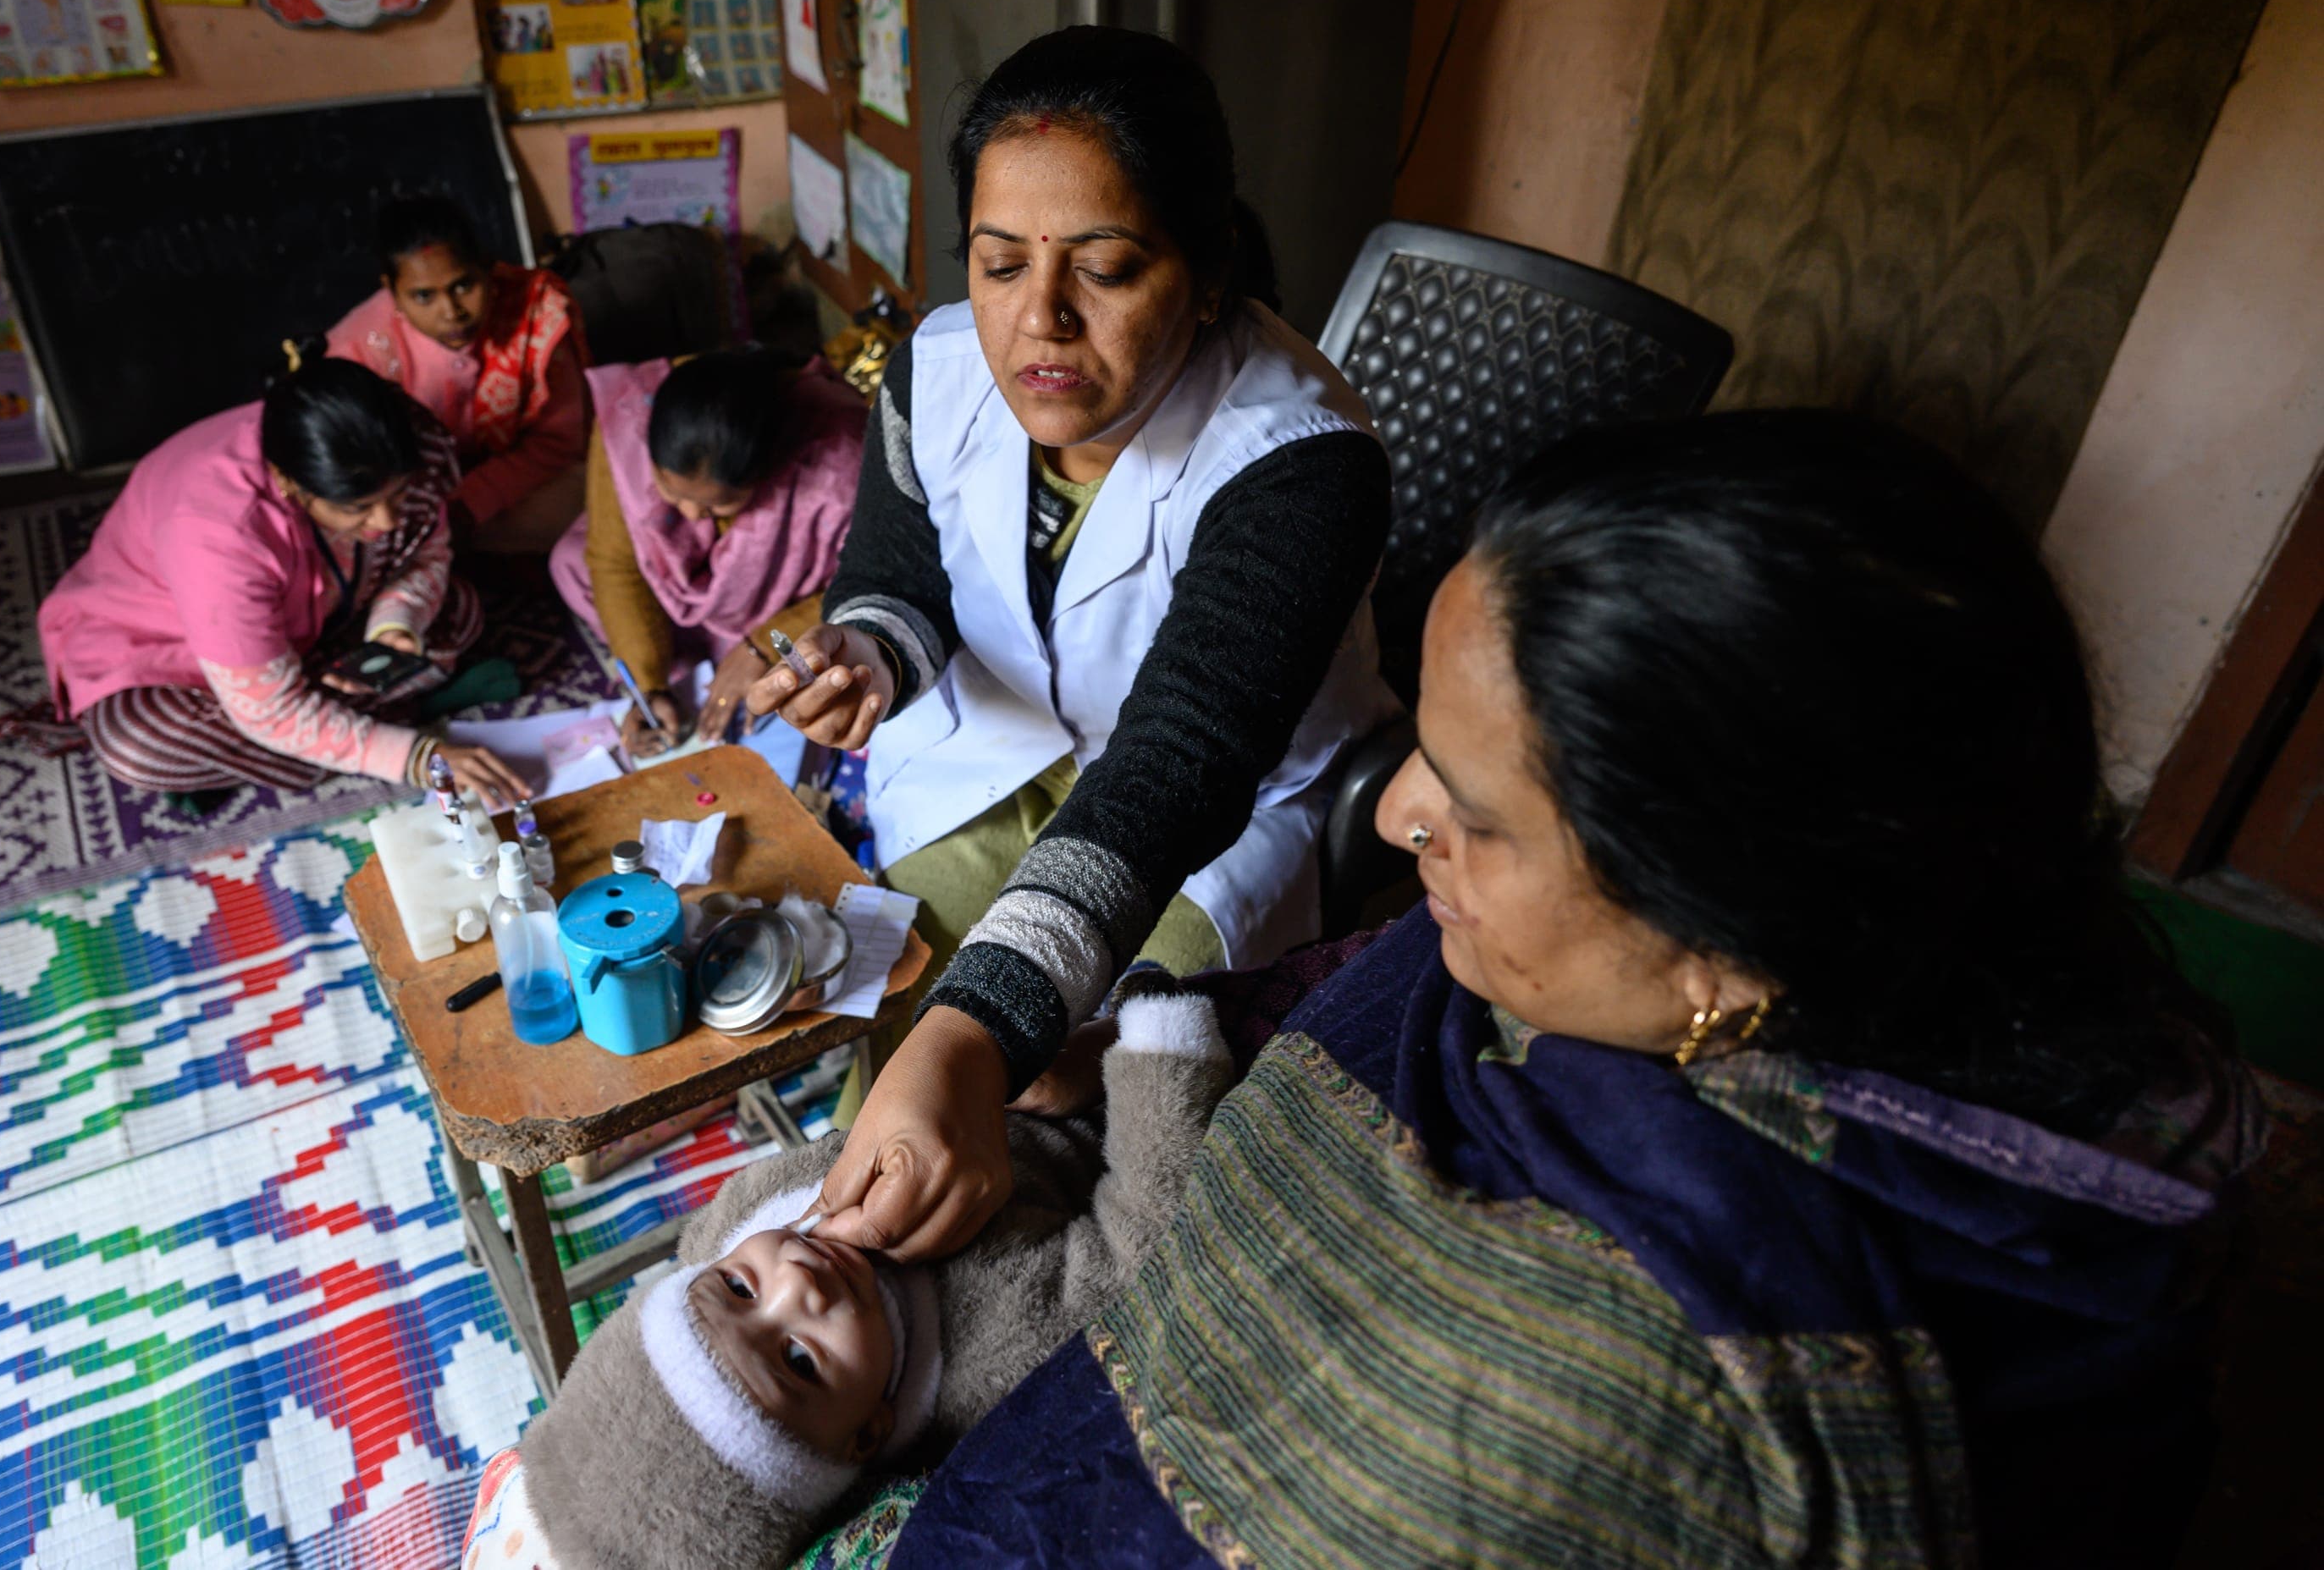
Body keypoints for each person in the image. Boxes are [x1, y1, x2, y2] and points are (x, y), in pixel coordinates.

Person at [868, 414, 2266, 1568]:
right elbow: (1342, 979)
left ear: (1722, 945)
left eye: (1477, 810)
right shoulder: (1604, 952)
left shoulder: (1644, 1409)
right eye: (1423, 739)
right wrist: (1045, 1040)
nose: (1402, 812)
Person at [747, 25, 1394, 1261]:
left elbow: (1182, 759)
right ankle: (840, 1297)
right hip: (997, 757)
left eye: (1104, 267)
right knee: (887, 1030)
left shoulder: (1301, 463)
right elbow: (897, 579)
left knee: (1114, 1087)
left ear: (1207, 277)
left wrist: (983, 1028)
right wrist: (868, 656)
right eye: (999, 264)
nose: (1038, 319)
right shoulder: (929, 375)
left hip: (1220, 813)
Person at [466, 987, 1234, 1569]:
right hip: (1101, 1098)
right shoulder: (992, 1354)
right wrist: (1158, 1046)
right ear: (864, 1436)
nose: (796, 1283)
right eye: (799, 1360)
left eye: (738, 1290)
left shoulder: (739, 1216)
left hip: (986, 1070)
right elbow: (1143, 1239)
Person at [38, 350, 528, 805]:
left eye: (396, 496)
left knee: (460, 608)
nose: (384, 522)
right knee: (139, 744)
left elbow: (427, 552)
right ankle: (374, 721)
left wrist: (394, 627)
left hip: (317, 624)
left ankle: (318, 735)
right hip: (174, 648)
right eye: (356, 508)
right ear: (289, 482)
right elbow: (267, 709)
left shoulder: (399, 442)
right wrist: (416, 757)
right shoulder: (217, 533)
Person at [550, 347, 867, 752]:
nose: (691, 516)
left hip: (773, 605)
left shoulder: (838, 461)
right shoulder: (627, 422)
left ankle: (718, 664)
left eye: (717, 506)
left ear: (768, 472)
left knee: (825, 665)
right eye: (670, 491)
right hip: (688, 599)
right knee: (572, 561)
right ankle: (691, 673)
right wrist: (650, 686)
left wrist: (763, 647)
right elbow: (615, 563)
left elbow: (864, 581)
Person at [328, 195, 591, 554]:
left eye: (464, 286)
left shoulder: (538, 313)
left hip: (516, 489)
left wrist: (470, 503)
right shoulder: (359, 349)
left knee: (590, 499)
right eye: (423, 296)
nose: (451, 312)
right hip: (406, 505)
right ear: (391, 290)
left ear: (487, 267)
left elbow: (559, 442)